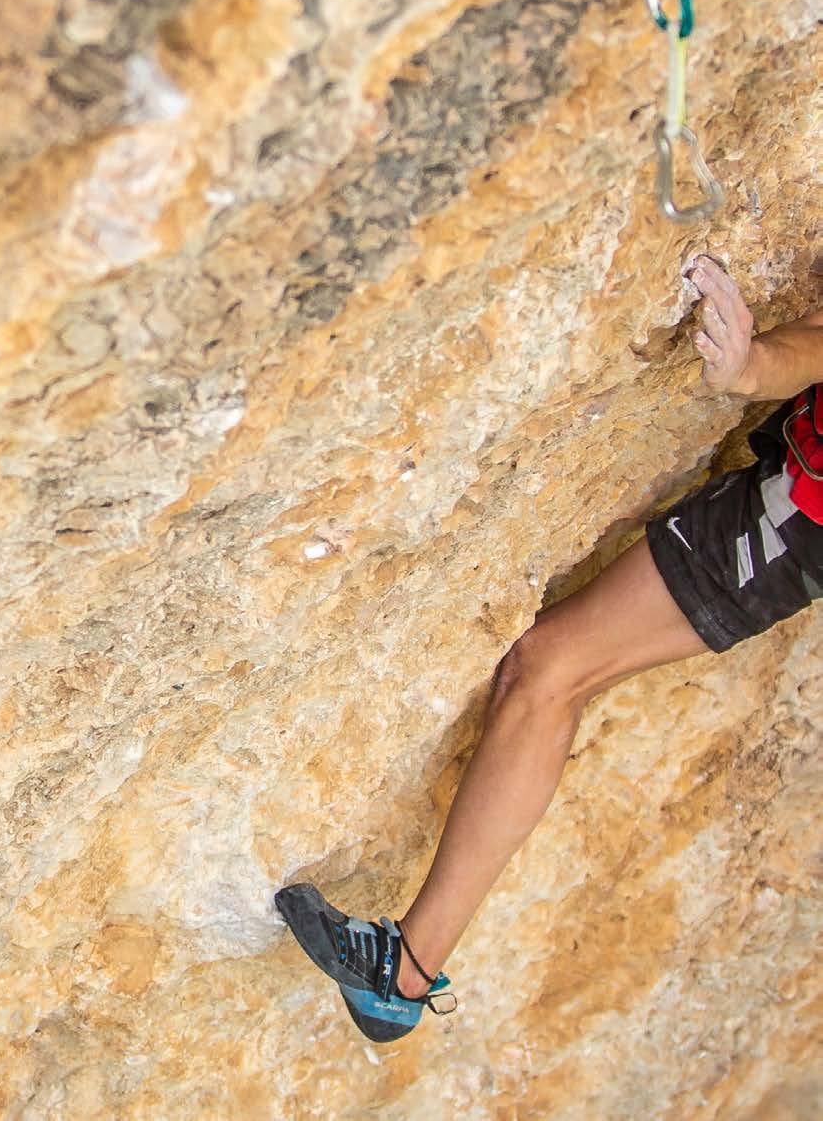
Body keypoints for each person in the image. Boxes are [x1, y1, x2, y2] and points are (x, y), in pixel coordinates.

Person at [276, 255, 823, 1042]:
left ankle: (404, 972)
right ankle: (403, 972)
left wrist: (750, 367)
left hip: (799, 517)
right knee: (546, 671)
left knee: (551, 670)